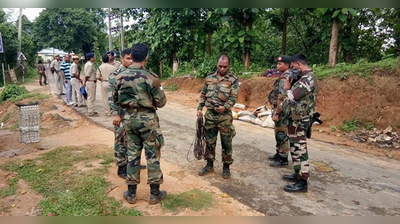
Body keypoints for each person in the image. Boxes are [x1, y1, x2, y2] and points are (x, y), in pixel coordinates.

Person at [112, 43, 167, 205]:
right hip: (148, 122)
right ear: (146, 57)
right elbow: (161, 102)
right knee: (152, 155)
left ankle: (131, 193)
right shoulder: (151, 77)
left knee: (132, 155)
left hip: (129, 121)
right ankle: (155, 194)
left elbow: (115, 100)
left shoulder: (119, 77)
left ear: (132, 56)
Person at [196, 54, 239, 179]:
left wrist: (225, 107)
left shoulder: (232, 80)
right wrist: (200, 108)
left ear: (228, 66)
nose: (222, 69)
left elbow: (233, 98)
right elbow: (203, 94)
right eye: (220, 66)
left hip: (224, 116)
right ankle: (209, 164)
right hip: (210, 115)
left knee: (226, 142)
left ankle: (226, 166)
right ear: (217, 65)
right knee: (209, 141)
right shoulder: (209, 78)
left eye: (225, 67)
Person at [281, 54, 318, 192]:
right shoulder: (304, 78)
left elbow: (292, 97)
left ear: (297, 64)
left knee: (300, 148)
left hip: (300, 121)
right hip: (295, 120)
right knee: (295, 147)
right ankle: (298, 173)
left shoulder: (308, 79)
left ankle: (303, 182)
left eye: (292, 66)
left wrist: (286, 87)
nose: (292, 69)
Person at [268, 55, 292, 167]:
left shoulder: (285, 78)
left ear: (287, 65)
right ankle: (278, 153)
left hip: (282, 110)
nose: (277, 66)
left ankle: (283, 158)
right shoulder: (284, 76)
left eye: (280, 64)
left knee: (282, 133)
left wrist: (277, 113)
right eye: (277, 63)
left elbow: (281, 97)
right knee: (278, 132)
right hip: (280, 108)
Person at [84, 52, 98, 117]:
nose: (94, 58)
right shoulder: (90, 65)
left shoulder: (87, 64)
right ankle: (90, 111)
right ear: (91, 58)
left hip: (90, 82)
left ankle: (92, 109)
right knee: (91, 97)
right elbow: (87, 74)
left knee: (91, 96)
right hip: (91, 81)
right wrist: (85, 81)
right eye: (93, 57)